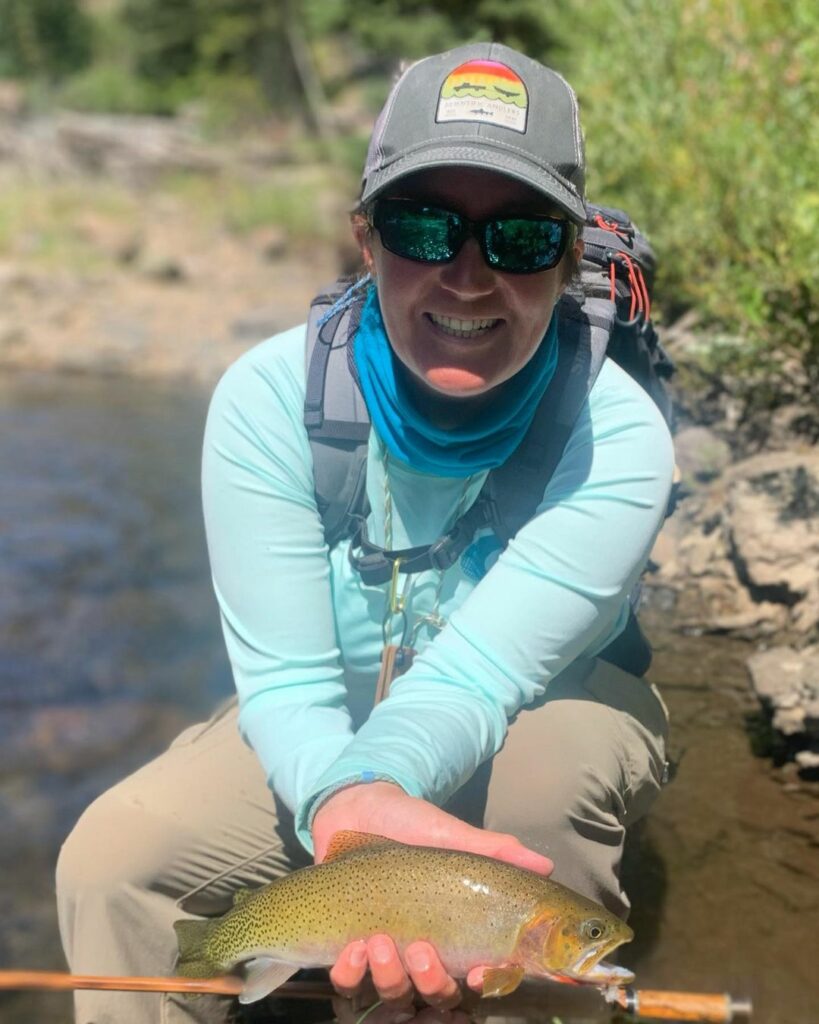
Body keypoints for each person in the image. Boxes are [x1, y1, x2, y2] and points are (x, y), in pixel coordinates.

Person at [56, 42, 672, 1024]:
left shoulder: (618, 436)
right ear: (365, 238)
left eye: (516, 239)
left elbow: (476, 679)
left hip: (538, 710)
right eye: (424, 227)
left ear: (567, 258)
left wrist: (362, 797)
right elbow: (292, 687)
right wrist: (349, 804)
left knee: (546, 789)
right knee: (114, 857)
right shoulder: (268, 400)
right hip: (333, 720)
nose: (467, 276)